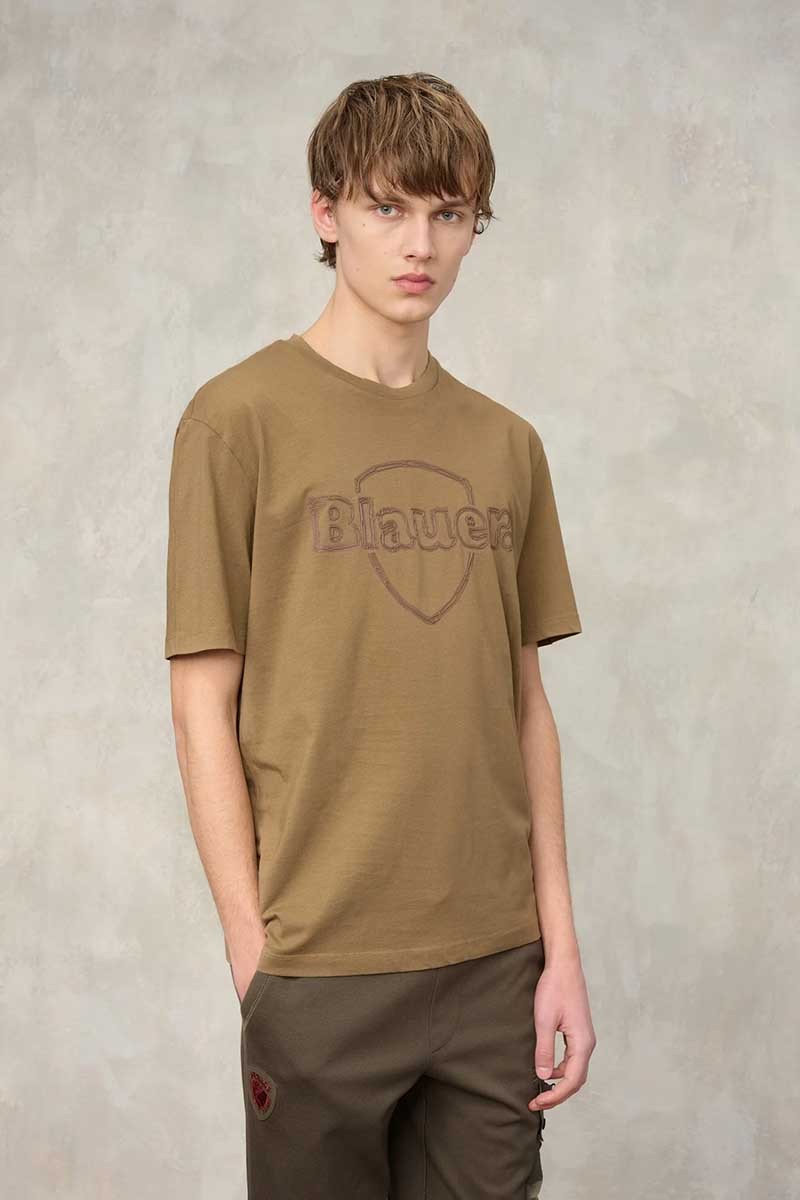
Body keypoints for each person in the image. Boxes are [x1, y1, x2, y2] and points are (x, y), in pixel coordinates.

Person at [164, 71, 596, 1200]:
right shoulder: (236, 421)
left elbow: (524, 709)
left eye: (450, 214)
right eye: (386, 207)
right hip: (320, 967)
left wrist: (558, 950)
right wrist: (254, 954)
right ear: (326, 212)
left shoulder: (507, 445)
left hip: (493, 967)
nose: (420, 245)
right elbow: (203, 704)